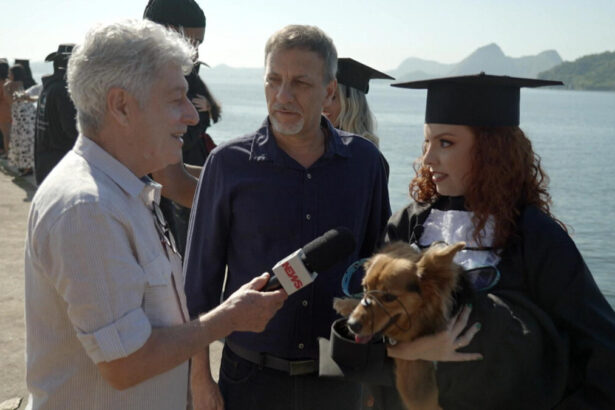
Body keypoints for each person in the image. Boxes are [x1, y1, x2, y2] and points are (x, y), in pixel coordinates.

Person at [24, 19, 287, 410]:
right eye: (175, 99)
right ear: (121, 106)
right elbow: (125, 364)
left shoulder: (122, 191)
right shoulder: (88, 209)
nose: (192, 115)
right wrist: (228, 318)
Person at [375, 73, 615, 408]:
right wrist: (413, 350)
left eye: (445, 143)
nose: (428, 159)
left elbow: (601, 351)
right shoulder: (409, 225)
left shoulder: (534, 235)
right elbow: (365, 330)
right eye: (426, 143)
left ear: (491, 151)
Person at [184, 24, 391, 410]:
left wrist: (373, 378)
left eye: (299, 83)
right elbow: (199, 285)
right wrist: (200, 380)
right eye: (273, 80)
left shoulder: (365, 164)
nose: (282, 96)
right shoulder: (227, 165)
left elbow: (377, 274)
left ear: (329, 91)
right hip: (248, 380)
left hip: (337, 379)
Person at [144, 0, 223, 256]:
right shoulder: (150, 80)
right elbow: (171, 180)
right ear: (169, 31)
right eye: (193, 42)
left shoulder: (138, 73)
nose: (196, 54)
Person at [34, 44, 78, 184]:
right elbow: (72, 130)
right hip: (60, 164)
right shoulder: (63, 90)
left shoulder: (49, 86)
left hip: (44, 160)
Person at [323, 57, 393, 148]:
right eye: (321, 95)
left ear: (352, 104)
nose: (323, 104)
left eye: (333, 97)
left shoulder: (364, 153)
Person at [4, 64, 37, 175]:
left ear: (14, 74)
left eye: (10, 73)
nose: (8, 75)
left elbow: (10, 102)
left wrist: (5, 89)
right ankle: (27, 166)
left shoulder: (11, 85)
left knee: (20, 140)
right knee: (26, 140)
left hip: (20, 116)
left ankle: (25, 167)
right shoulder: (27, 82)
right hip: (27, 114)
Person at [0, 58, 11, 156]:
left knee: (5, 134)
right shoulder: (9, 81)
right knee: (11, 134)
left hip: (2, 110)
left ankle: (7, 154)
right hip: (11, 109)